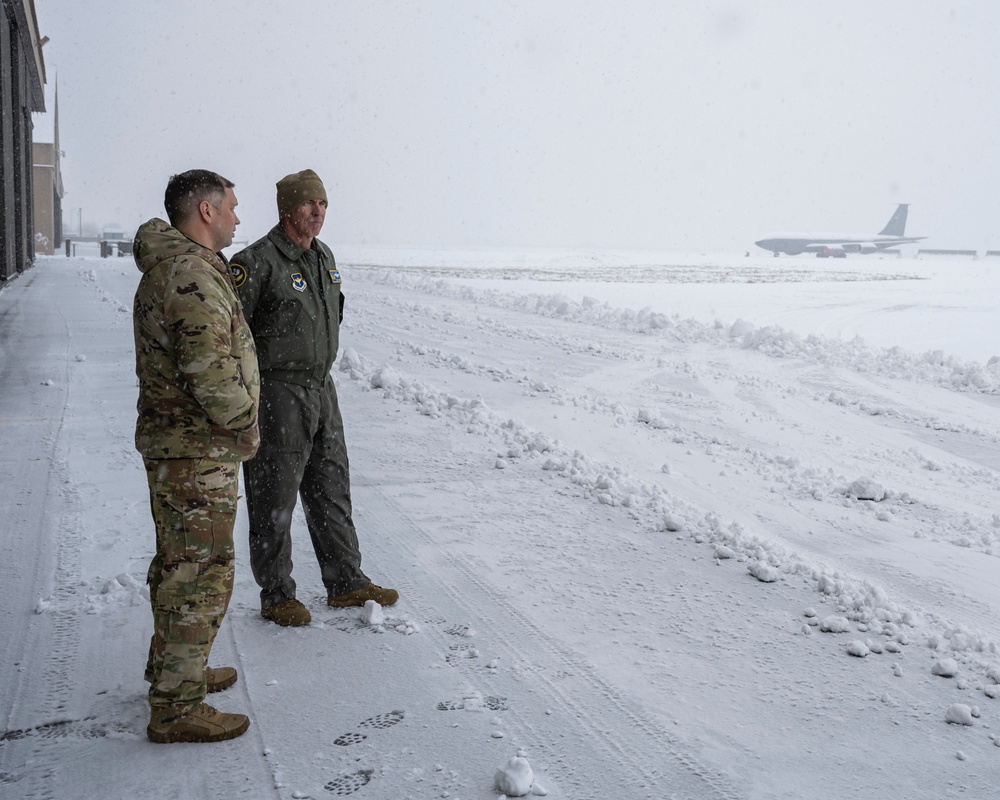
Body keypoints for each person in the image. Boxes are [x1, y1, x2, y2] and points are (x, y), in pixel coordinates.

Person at [230, 169, 397, 627]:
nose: (318, 212)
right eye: (309, 204)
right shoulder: (256, 262)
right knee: (274, 495)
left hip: (322, 388)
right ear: (288, 208)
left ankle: (346, 581)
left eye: (323, 204)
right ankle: (277, 593)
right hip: (278, 392)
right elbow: (228, 333)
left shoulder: (323, 257)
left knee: (331, 487)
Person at [133, 169, 260, 743]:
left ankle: (176, 672)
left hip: (185, 449)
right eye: (231, 206)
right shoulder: (189, 274)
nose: (237, 216)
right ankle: (176, 707)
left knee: (182, 569)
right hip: (195, 452)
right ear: (205, 212)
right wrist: (248, 422)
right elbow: (211, 377)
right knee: (198, 576)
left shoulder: (186, 268)